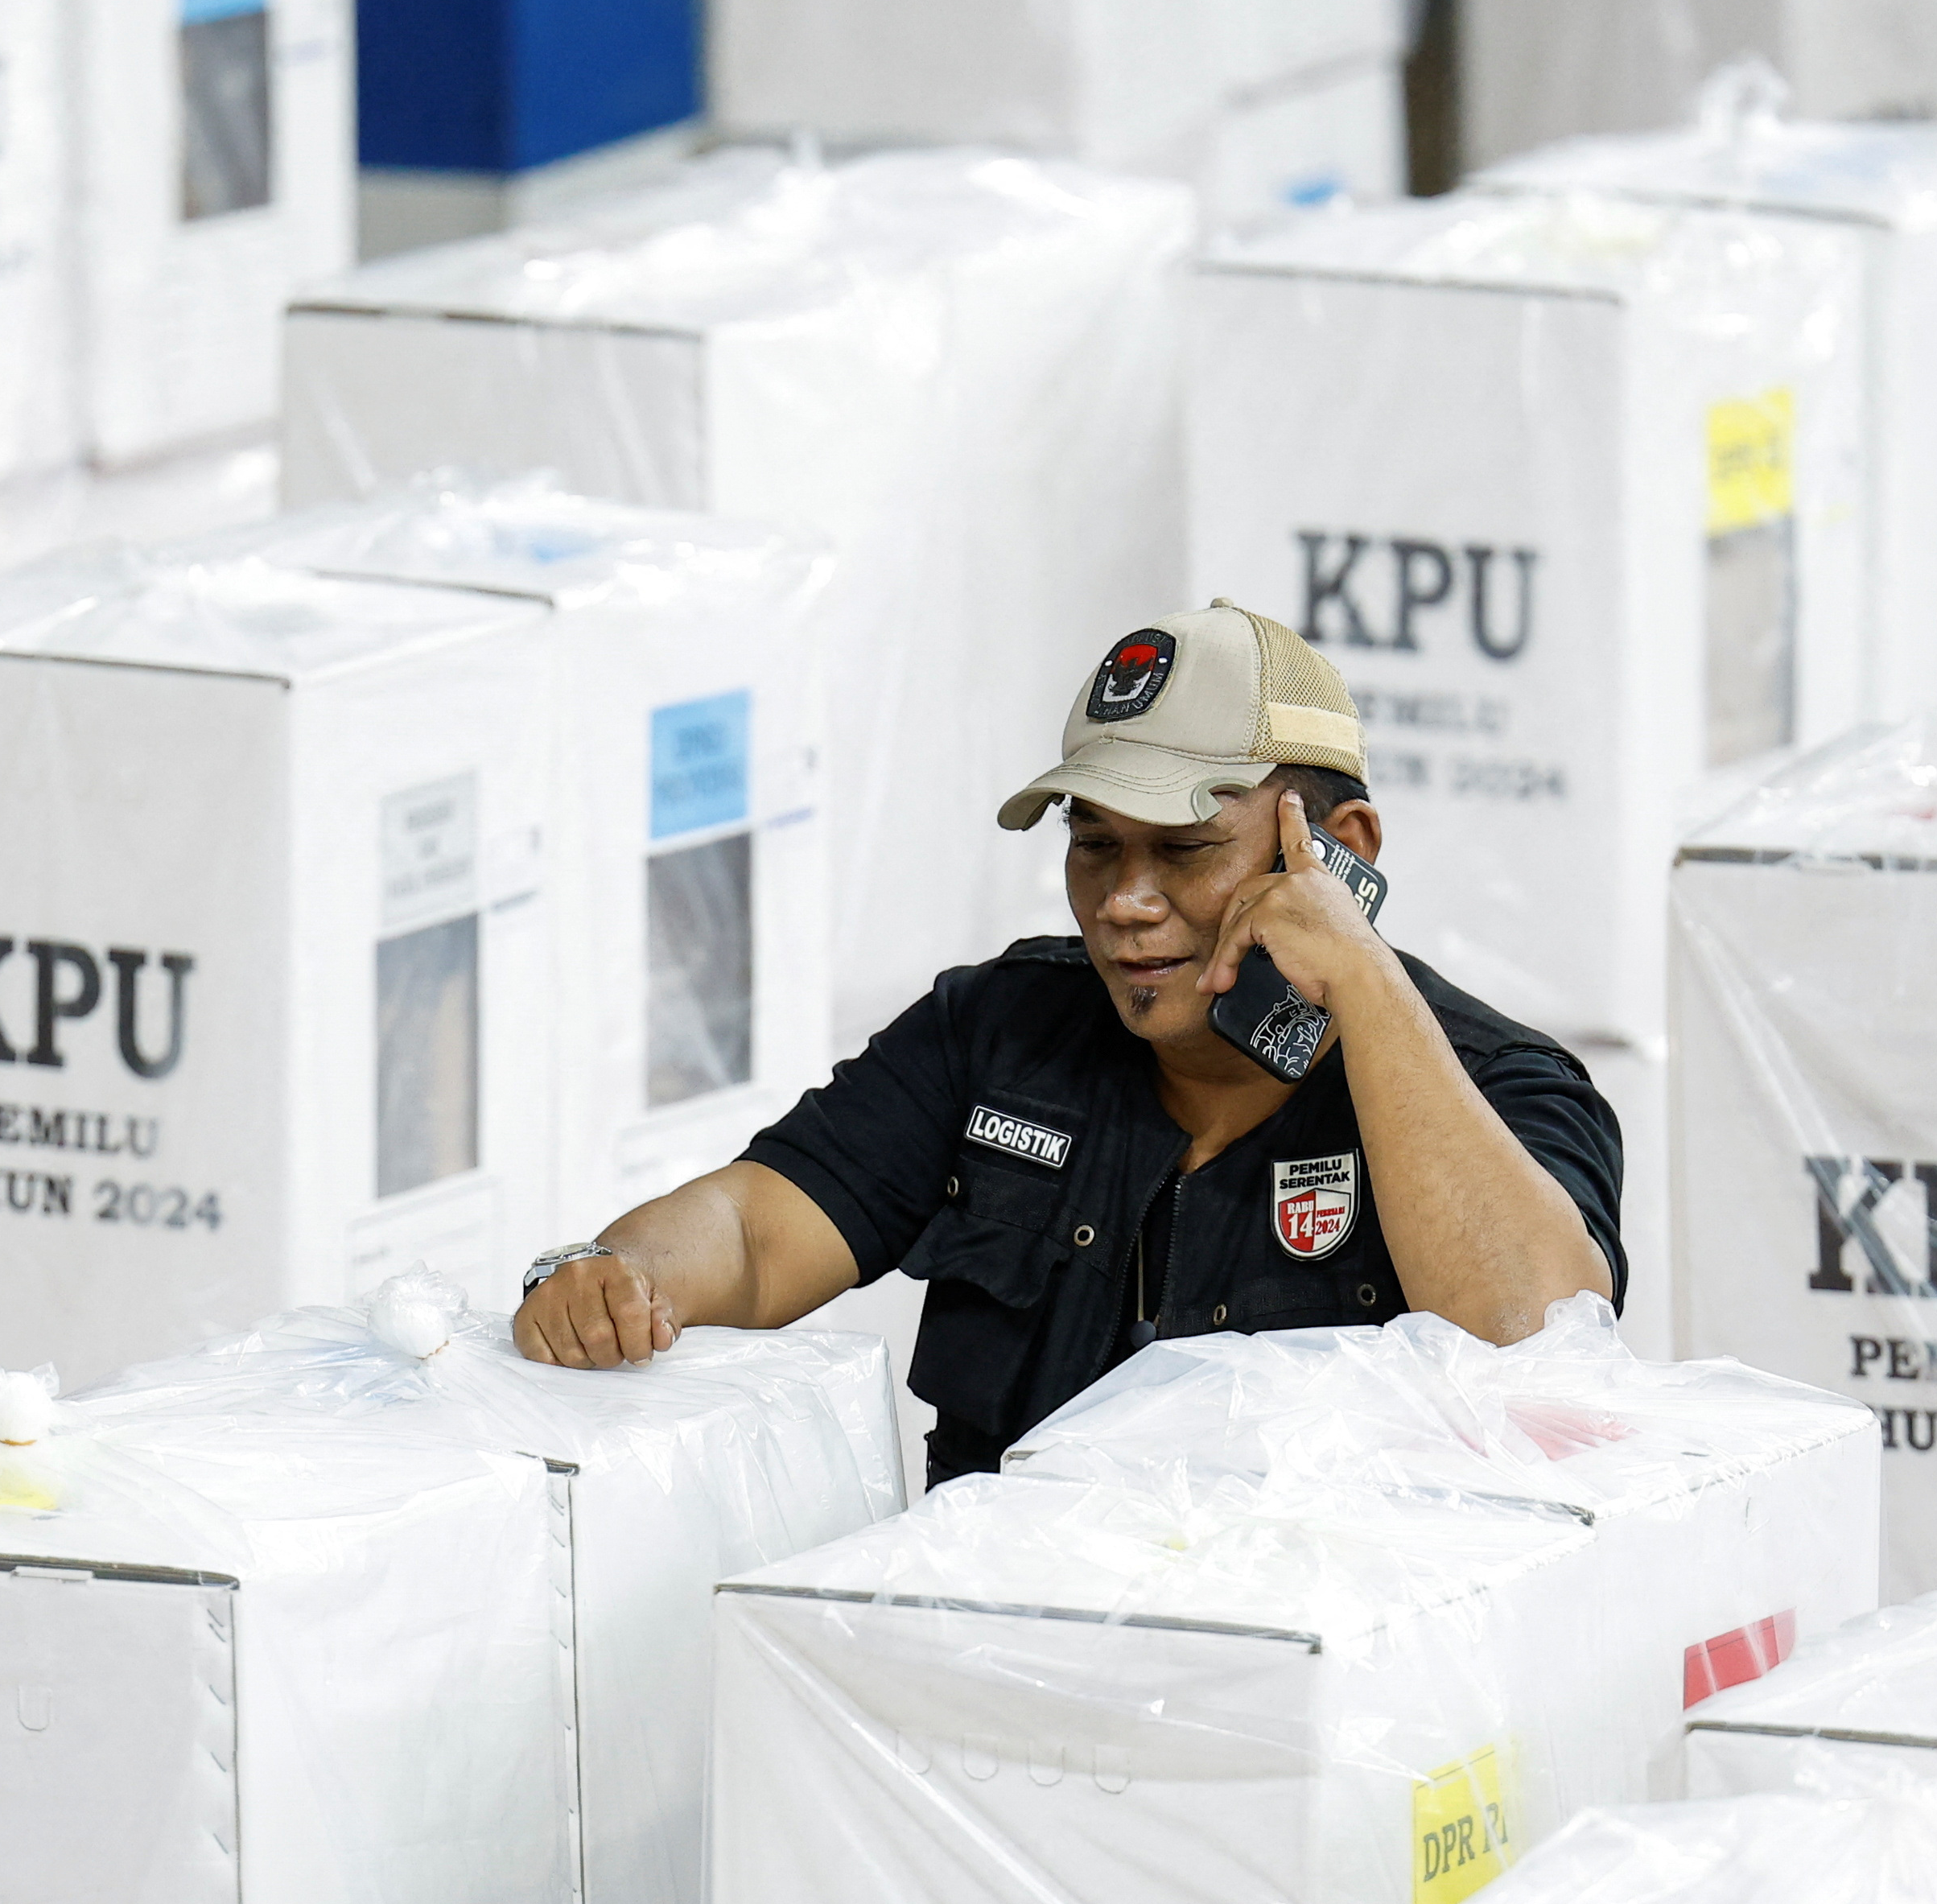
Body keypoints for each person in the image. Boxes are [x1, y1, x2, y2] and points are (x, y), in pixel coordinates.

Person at [512, 599, 1623, 1481]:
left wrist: (1365, 986)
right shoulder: (998, 1030)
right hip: (997, 1669)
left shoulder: (1497, 1090)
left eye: (1185, 849)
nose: (1126, 901)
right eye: (1095, 846)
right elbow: (757, 1226)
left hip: (1302, 1704)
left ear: (1340, 850)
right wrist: (617, 1276)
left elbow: (1533, 1343)